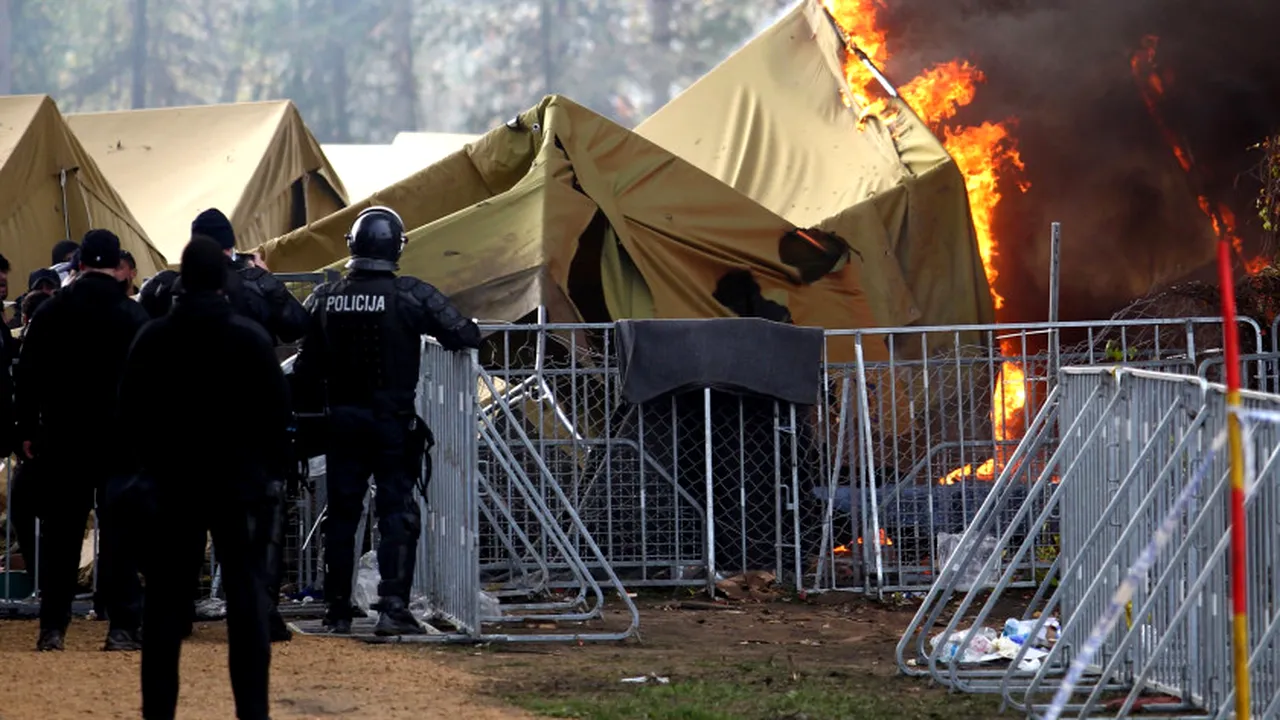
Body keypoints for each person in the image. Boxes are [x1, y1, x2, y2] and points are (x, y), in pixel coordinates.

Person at [120, 237, 289, 720]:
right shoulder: (249, 338)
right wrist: (263, 470)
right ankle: (252, 711)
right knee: (246, 604)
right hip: (238, 485)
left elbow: (130, 411)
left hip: (172, 485)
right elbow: (277, 414)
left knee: (164, 608)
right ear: (222, 281)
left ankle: (159, 712)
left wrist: (151, 465)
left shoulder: (153, 338)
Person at [292, 206, 481, 636]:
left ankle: (336, 610)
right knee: (397, 513)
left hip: (341, 423)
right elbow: (464, 334)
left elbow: (305, 366)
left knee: (342, 516)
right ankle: (392, 607)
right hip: (391, 424)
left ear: (353, 246)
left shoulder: (324, 297)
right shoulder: (410, 295)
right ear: (396, 247)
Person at [15, 230, 149, 652]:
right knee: (120, 534)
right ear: (117, 265)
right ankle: (122, 626)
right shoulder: (133, 316)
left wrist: (26, 430)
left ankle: (53, 627)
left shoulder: (51, 312)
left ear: (79, 264)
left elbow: (27, 376)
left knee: (62, 535)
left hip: (64, 436)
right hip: (121, 440)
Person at [186, 209, 308, 344]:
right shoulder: (253, 284)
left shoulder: (177, 287)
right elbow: (296, 326)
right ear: (228, 246)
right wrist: (265, 277)